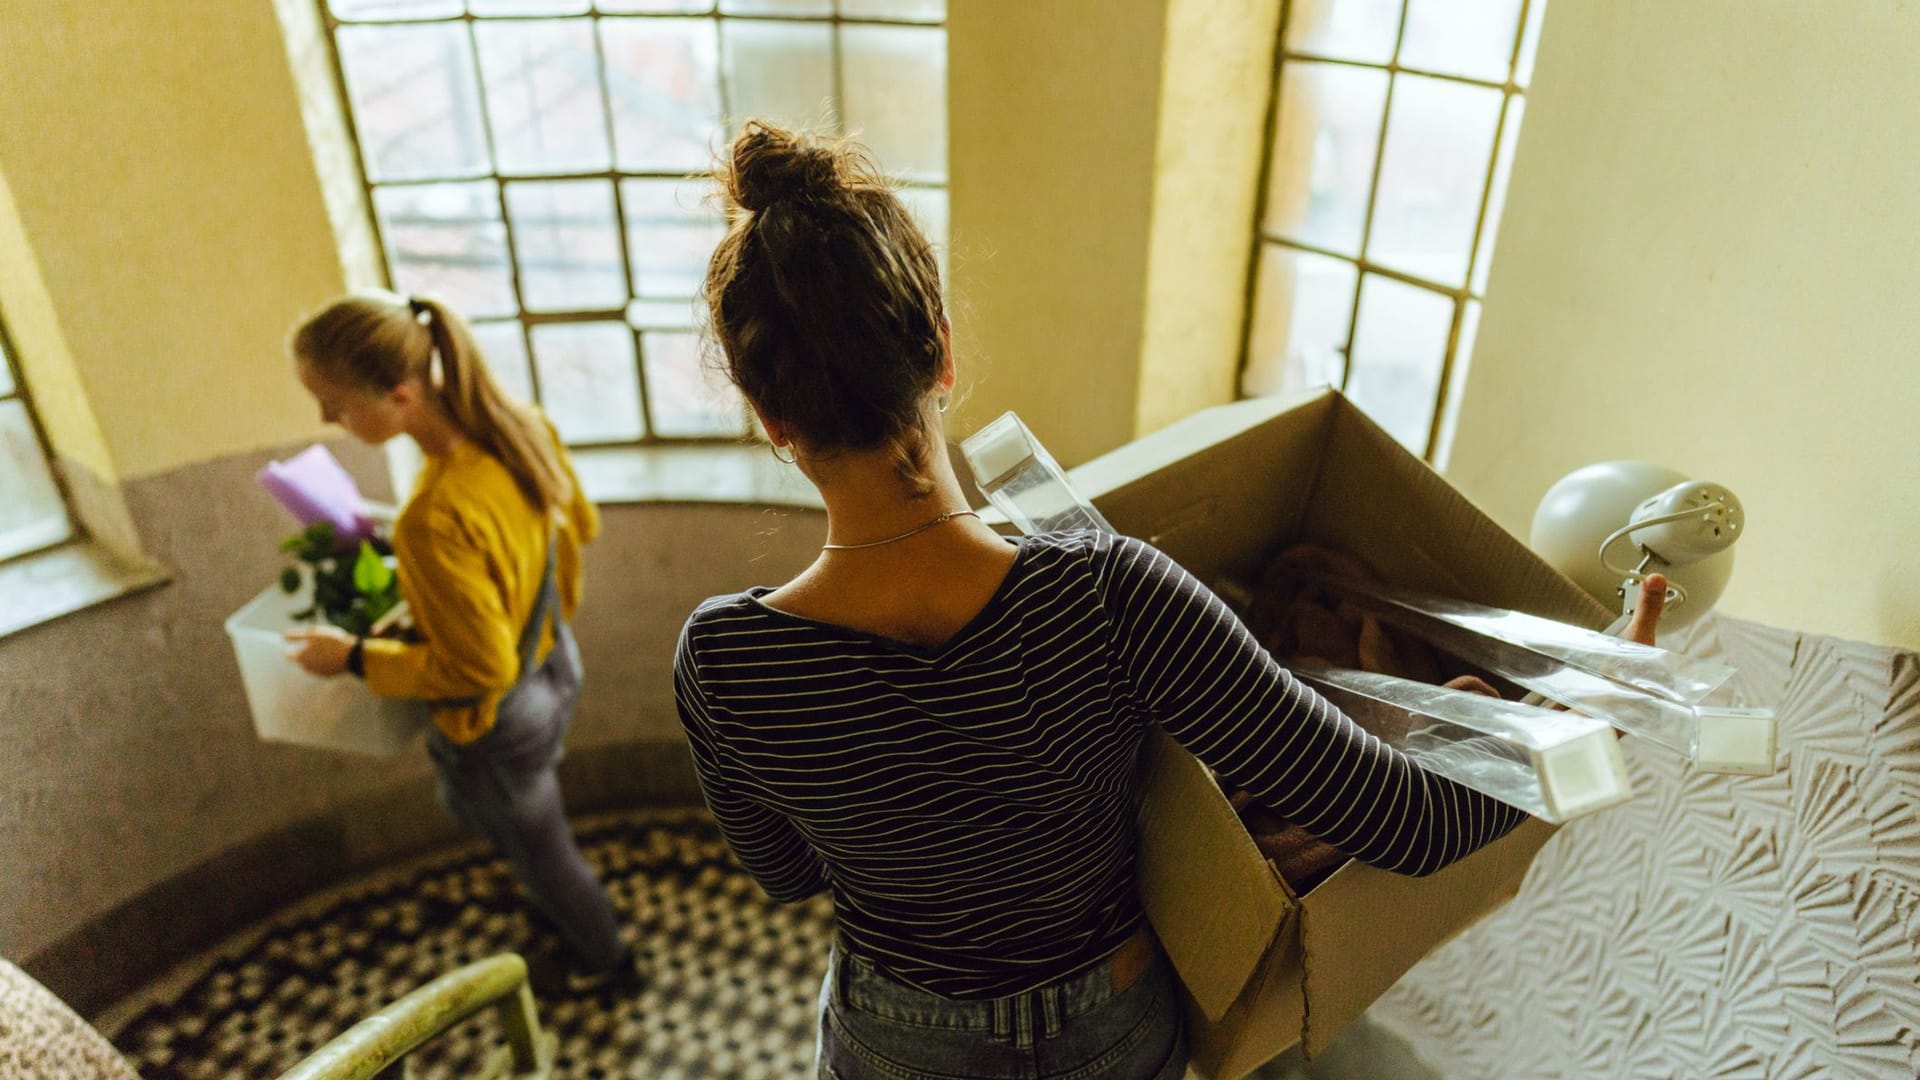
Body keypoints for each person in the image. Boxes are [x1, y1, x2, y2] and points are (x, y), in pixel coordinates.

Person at [675, 121, 1666, 1079]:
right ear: (940, 351)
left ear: (771, 419)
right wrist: (1589, 722)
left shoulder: (723, 662)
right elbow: (1405, 823)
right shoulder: (1109, 595)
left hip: (896, 1042)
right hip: (1106, 1029)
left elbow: (789, 874)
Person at [283, 293, 635, 995]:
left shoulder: (432, 515)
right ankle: (570, 924)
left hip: (502, 713)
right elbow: (579, 527)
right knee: (533, 829)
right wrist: (445, 591)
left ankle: (609, 966)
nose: (328, 420)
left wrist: (349, 657)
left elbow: (479, 665)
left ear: (402, 394)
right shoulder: (522, 429)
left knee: (544, 853)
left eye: (335, 403)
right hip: (557, 665)